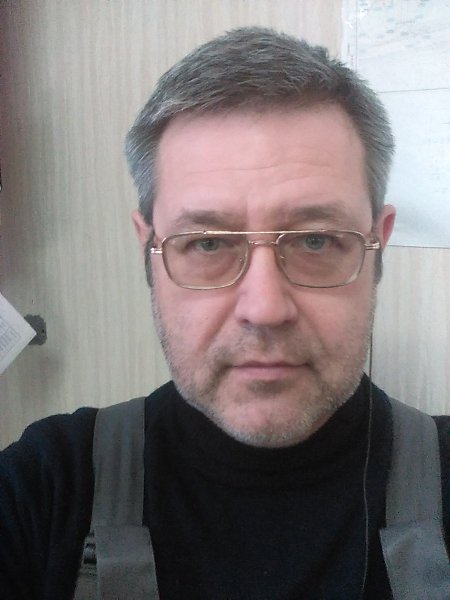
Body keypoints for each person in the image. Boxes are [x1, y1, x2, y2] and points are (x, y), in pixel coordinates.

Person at [0, 27, 448, 600]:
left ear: (376, 244)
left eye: (315, 241)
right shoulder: (44, 488)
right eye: (208, 243)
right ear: (148, 250)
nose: (264, 309)